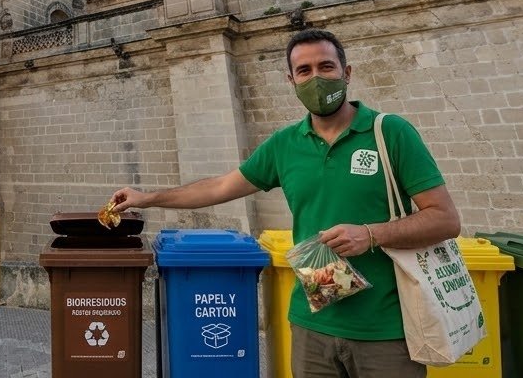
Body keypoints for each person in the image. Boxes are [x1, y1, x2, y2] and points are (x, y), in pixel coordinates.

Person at [111, 29, 460, 378]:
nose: (316, 78)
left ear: (347, 73)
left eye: (326, 67)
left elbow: (445, 219)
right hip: (312, 325)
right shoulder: (284, 145)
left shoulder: (390, 133)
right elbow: (219, 187)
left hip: (386, 332)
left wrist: (370, 234)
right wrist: (148, 198)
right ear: (291, 80)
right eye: (304, 71)